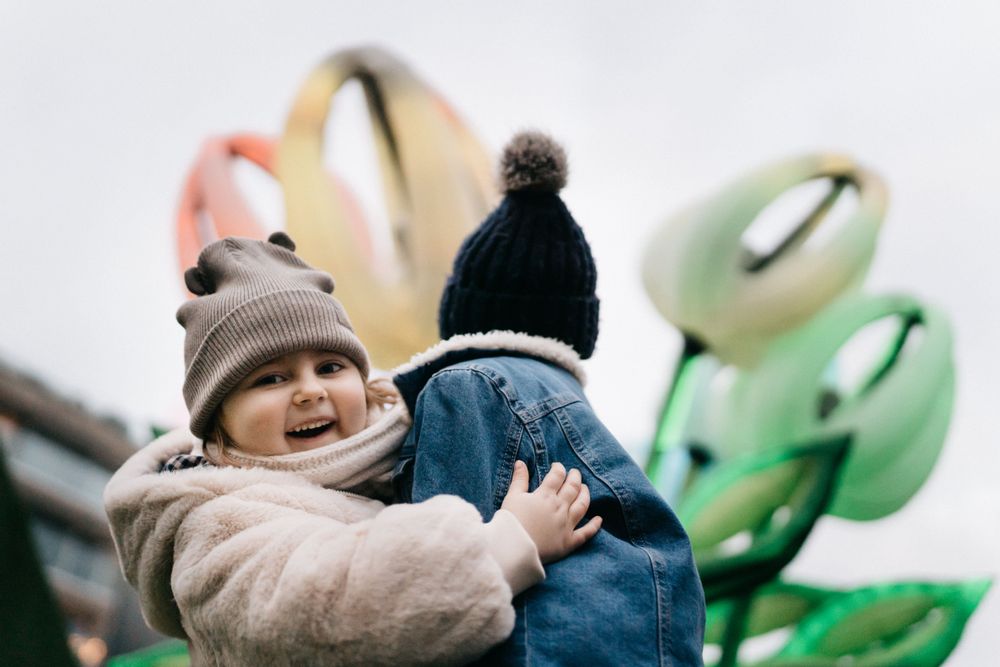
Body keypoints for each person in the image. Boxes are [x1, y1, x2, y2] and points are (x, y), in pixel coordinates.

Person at [103, 232, 601, 666]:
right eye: (271, 378)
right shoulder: (215, 524)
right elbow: (326, 613)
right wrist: (508, 545)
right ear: (220, 426)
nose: (309, 391)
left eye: (330, 367)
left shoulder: (393, 464)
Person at [392, 132, 707, 666]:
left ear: (460, 316)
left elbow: (441, 578)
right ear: (577, 328)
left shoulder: (467, 387)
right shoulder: (575, 422)